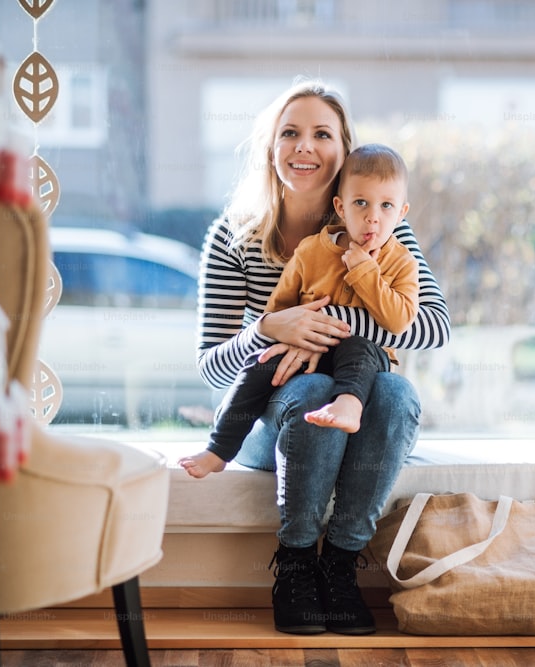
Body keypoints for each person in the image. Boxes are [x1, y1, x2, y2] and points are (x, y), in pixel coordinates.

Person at [178, 79, 450, 636]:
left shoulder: (382, 229)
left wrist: (324, 326)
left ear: (342, 147)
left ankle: (341, 566)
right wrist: (269, 328)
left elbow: (434, 329)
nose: (305, 146)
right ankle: (296, 566)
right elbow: (211, 366)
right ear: (270, 147)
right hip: (268, 415)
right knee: (308, 391)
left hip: (359, 394)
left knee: (396, 393)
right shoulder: (233, 236)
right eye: (290, 133)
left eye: (321, 133)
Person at [181, 142, 418, 472]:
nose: (372, 218)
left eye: (386, 207)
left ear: (401, 212)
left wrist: (363, 273)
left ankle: (348, 404)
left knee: (359, 349)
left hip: (360, 360)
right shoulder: (311, 252)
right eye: (360, 203)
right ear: (341, 206)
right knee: (259, 363)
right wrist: (278, 332)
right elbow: (280, 308)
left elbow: (400, 320)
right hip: (300, 354)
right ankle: (219, 449)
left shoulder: (400, 258)